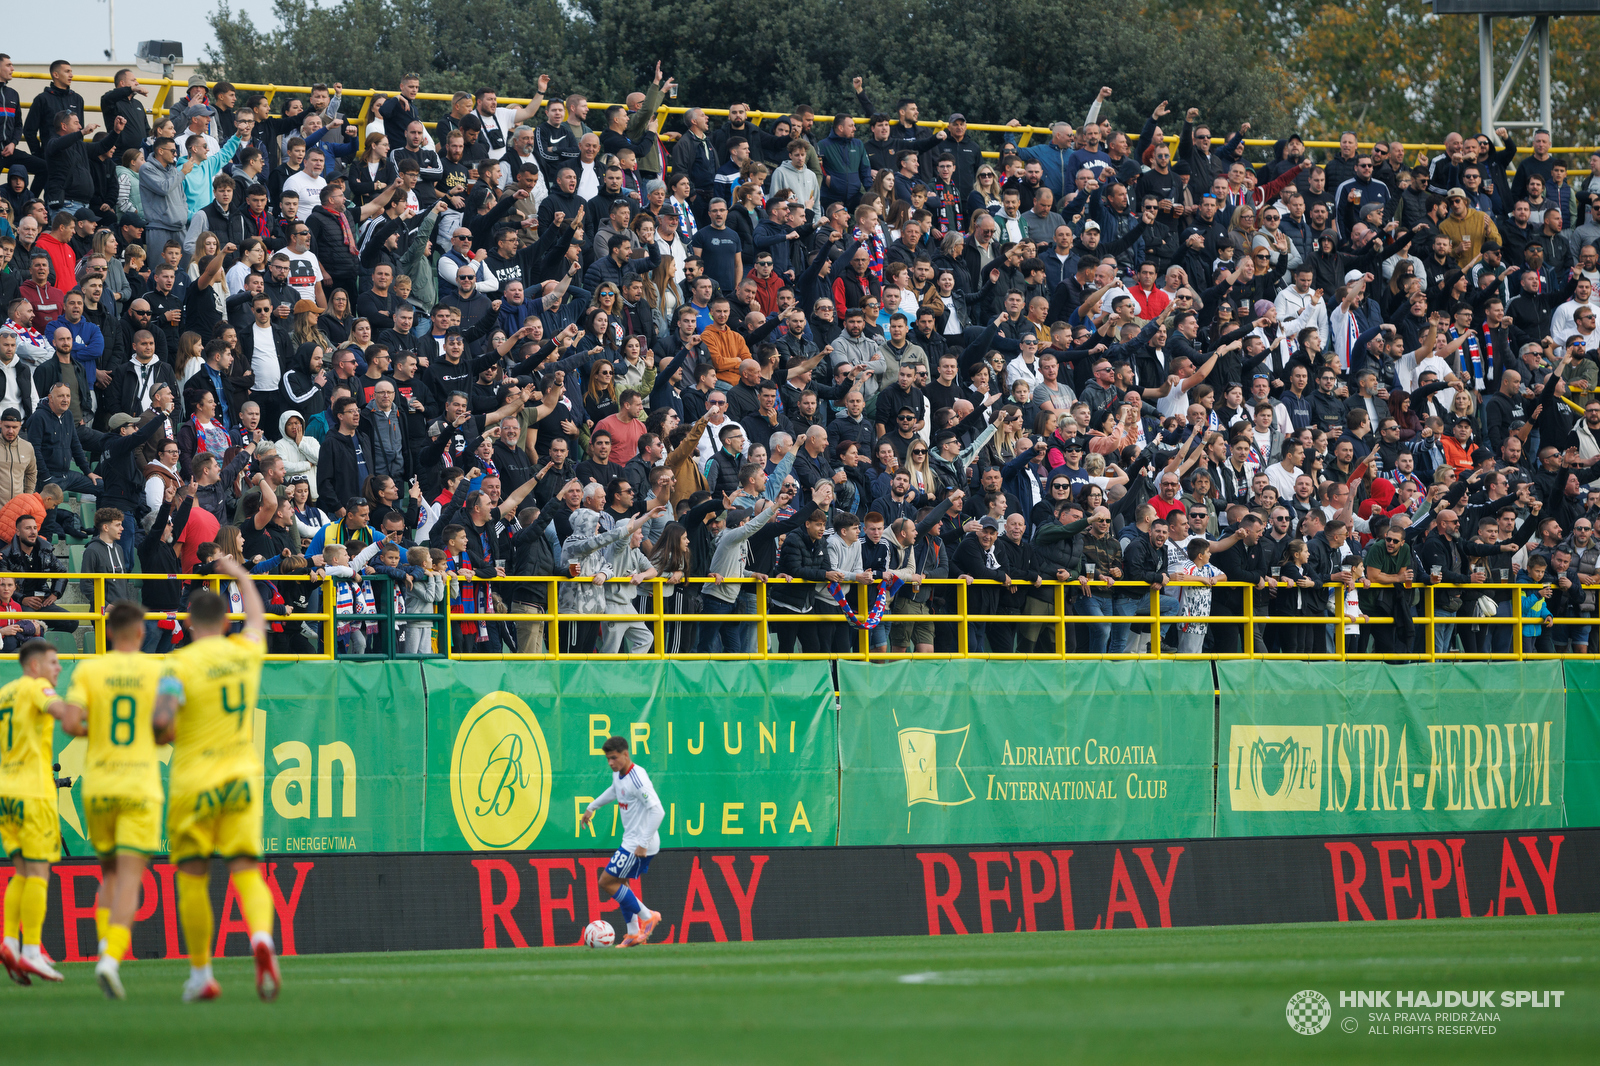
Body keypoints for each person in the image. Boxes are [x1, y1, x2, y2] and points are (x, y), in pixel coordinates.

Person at [153, 554, 281, 1002]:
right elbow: (258, 619)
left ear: (189, 623)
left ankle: (202, 974)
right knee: (246, 868)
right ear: (227, 622)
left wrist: (164, 732)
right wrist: (240, 574)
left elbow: (161, 721)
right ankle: (261, 938)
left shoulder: (177, 665)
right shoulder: (245, 652)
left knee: (193, 876)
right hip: (240, 777)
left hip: (193, 781)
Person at [60, 601, 166, 1000]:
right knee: (131, 877)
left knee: (108, 875)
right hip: (139, 785)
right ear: (140, 632)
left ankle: (104, 946)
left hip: (100, 785)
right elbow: (167, 730)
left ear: (107, 632)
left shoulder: (89, 670)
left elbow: (71, 723)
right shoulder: (158, 672)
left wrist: (100, 728)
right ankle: (109, 957)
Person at [0, 639, 74, 985]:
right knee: (39, 873)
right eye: (53, 662)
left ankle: (10, 942)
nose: (57, 668)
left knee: (21, 872)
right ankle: (31, 951)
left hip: (6, 793)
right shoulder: (36, 687)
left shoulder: (6, 693)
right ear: (34, 666)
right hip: (33, 791)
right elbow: (59, 711)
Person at [578, 735, 664, 947]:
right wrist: (592, 807)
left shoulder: (638, 778)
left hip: (639, 844)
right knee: (621, 883)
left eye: (614, 758)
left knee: (606, 882)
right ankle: (633, 933)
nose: (610, 762)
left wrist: (643, 843)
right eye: (608, 758)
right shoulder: (619, 774)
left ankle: (648, 916)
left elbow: (658, 811)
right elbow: (615, 790)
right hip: (632, 841)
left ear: (626, 754)